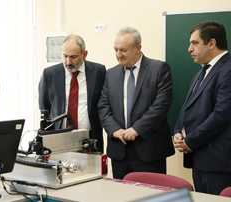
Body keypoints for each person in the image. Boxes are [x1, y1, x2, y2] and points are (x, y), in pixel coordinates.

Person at [98, 27, 175, 179]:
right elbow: (103, 106)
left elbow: (161, 105)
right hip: (119, 150)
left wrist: (137, 129)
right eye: (116, 49)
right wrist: (114, 130)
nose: (118, 55)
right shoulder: (111, 73)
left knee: (151, 197)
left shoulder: (159, 69)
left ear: (138, 48)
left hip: (150, 150)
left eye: (123, 50)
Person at [173, 21, 231, 195]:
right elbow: (186, 109)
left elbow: (222, 114)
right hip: (199, 159)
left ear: (212, 43)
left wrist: (190, 141)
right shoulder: (200, 73)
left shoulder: (228, 70)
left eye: (194, 43)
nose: (190, 49)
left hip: (220, 163)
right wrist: (178, 132)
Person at [38, 35, 106, 153]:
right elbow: (45, 107)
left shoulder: (98, 72)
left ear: (84, 54)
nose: (68, 62)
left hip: (90, 140)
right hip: (60, 139)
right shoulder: (49, 74)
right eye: (65, 56)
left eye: (73, 57)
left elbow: (104, 103)